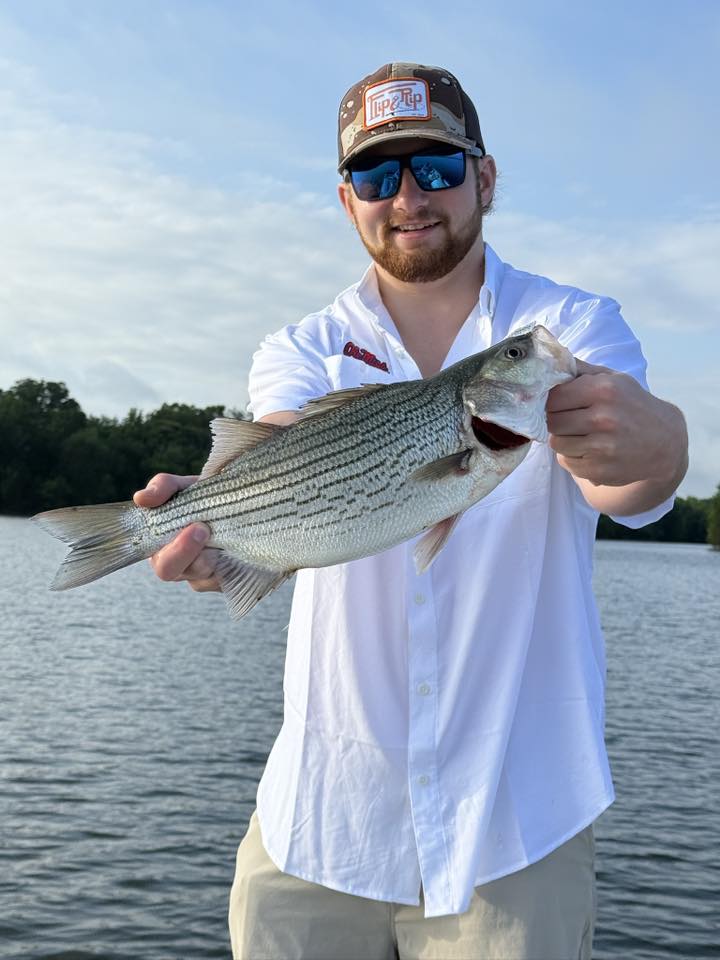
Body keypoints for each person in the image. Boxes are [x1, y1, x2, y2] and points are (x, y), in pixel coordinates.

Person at [134, 63, 688, 959]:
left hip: (516, 822)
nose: (407, 198)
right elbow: (280, 445)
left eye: (436, 167)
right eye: (374, 174)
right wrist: (214, 533)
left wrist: (661, 445)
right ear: (346, 198)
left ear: (485, 177)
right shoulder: (303, 346)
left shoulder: (566, 327)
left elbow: (626, 488)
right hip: (321, 818)